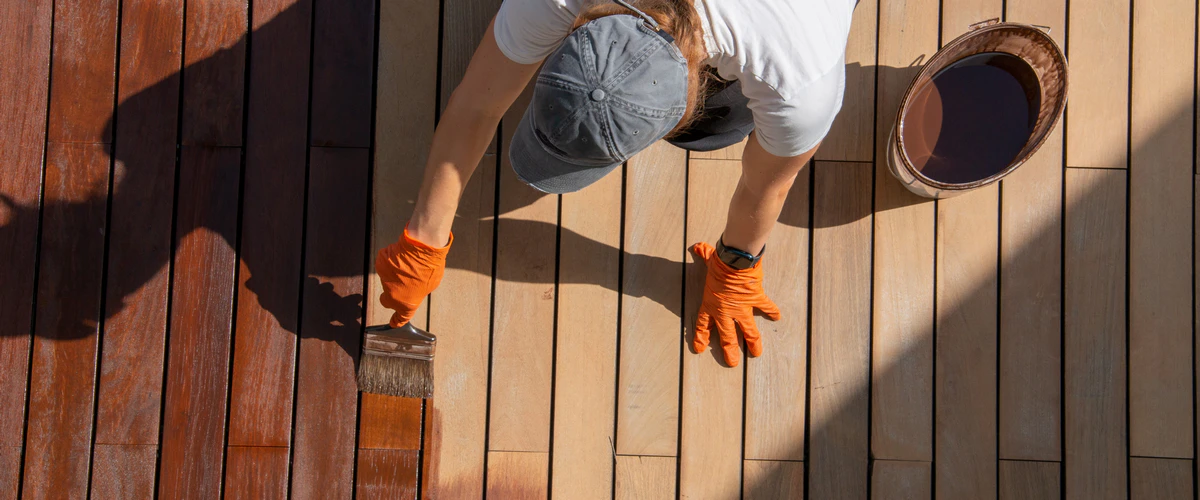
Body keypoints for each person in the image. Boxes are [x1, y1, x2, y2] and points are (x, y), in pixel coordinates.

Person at [376, 0, 856, 367]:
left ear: (687, 102)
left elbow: (765, 187)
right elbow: (478, 106)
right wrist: (424, 237)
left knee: (710, 134)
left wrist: (736, 268)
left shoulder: (799, 80)